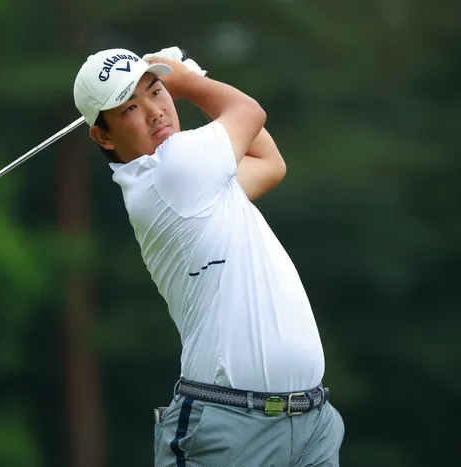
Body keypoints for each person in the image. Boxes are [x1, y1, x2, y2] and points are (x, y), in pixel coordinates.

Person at [73, 47, 345, 467]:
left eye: (156, 91)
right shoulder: (172, 170)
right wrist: (188, 82)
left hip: (310, 423)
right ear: (103, 137)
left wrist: (191, 84)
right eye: (130, 108)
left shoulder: (195, 179)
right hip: (227, 427)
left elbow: (269, 162)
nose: (155, 112)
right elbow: (249, 113)